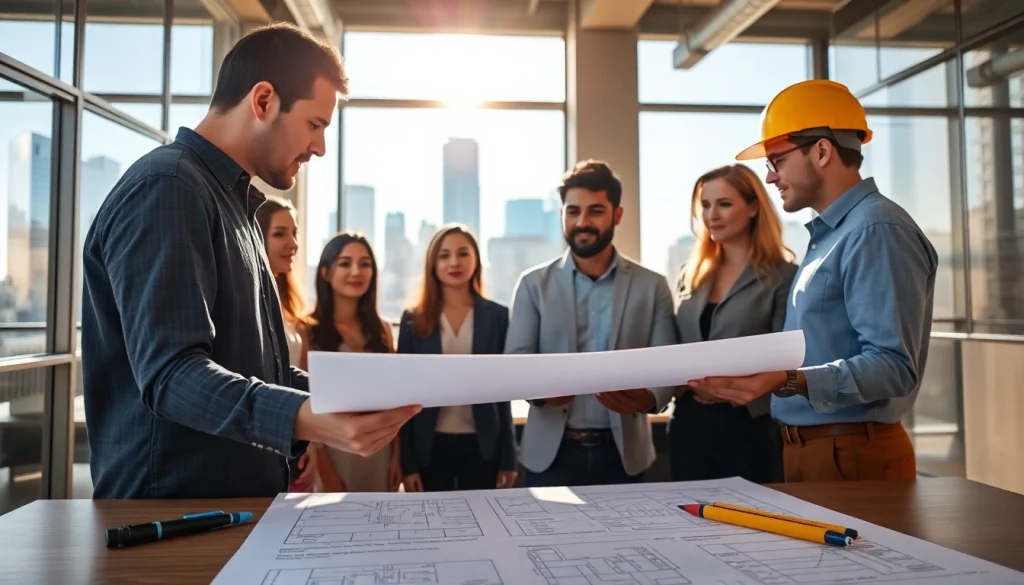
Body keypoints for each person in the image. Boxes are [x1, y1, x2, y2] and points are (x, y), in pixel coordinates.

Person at [81, 23, 419, 499]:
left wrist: (349, 397)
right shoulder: (168, 187)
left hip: (226, 507)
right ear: (263, 101)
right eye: (315, 125)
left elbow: (259, 370)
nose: (320, 148)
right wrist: (306, 418)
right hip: (172, 515)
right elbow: (172, 376)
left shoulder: (234, 206)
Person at [686, 79, 938, 482]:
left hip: (850, 452)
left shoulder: (875, 229)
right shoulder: (832, 236)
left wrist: (787, 379)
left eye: (777, 161)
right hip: (815, 449)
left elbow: (893, 366)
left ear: (821, 152)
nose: (770, 177)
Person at [505, 160, 679, 487]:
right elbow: (515, 362)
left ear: (617, 215)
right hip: (550, 456)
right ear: (562, 215)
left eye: (595, 211)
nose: (582, 222)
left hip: (625, 455)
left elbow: (668, 365)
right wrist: (542, 392)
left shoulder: (652, 285)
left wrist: (647, 398)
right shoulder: (532, 284)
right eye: (573, 211)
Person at [669, 164, 797, 484]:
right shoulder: (690, 274)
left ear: (753, 208)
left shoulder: (783, 276)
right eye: (705, 205)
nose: (712, 215)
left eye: (724, 204)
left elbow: (788, 359)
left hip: (748, 427)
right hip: (689, 425)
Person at [397, 225, 518, 492]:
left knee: (483, 516)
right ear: (433, 264)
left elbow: (504, 392)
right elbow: (403, 394)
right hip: (429, 446)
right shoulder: (413, 319)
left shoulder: (497, 316)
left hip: (482, 445)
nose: (454, 262)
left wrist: (509, 457)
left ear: (476, 260)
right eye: (444, 255)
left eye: (463, 253)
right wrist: (408, 464)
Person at [298, 232, 402, 492]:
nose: (356, 271)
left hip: (380, 449)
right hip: (332, 448)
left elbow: (395, 398)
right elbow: (304, 401)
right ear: (325, 272)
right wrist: (325, 471)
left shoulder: (383, 330)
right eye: (345, 263)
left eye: (365, 264)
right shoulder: (307, 329)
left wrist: (397, 456)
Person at [255, 195, 319, 492]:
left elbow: (299, 379)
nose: (293, 244)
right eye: (280, 234)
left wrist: (312, 441)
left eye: (294, 234)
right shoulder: (249, 302)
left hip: (295, 436)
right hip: (262, 431)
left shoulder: (291, 310)